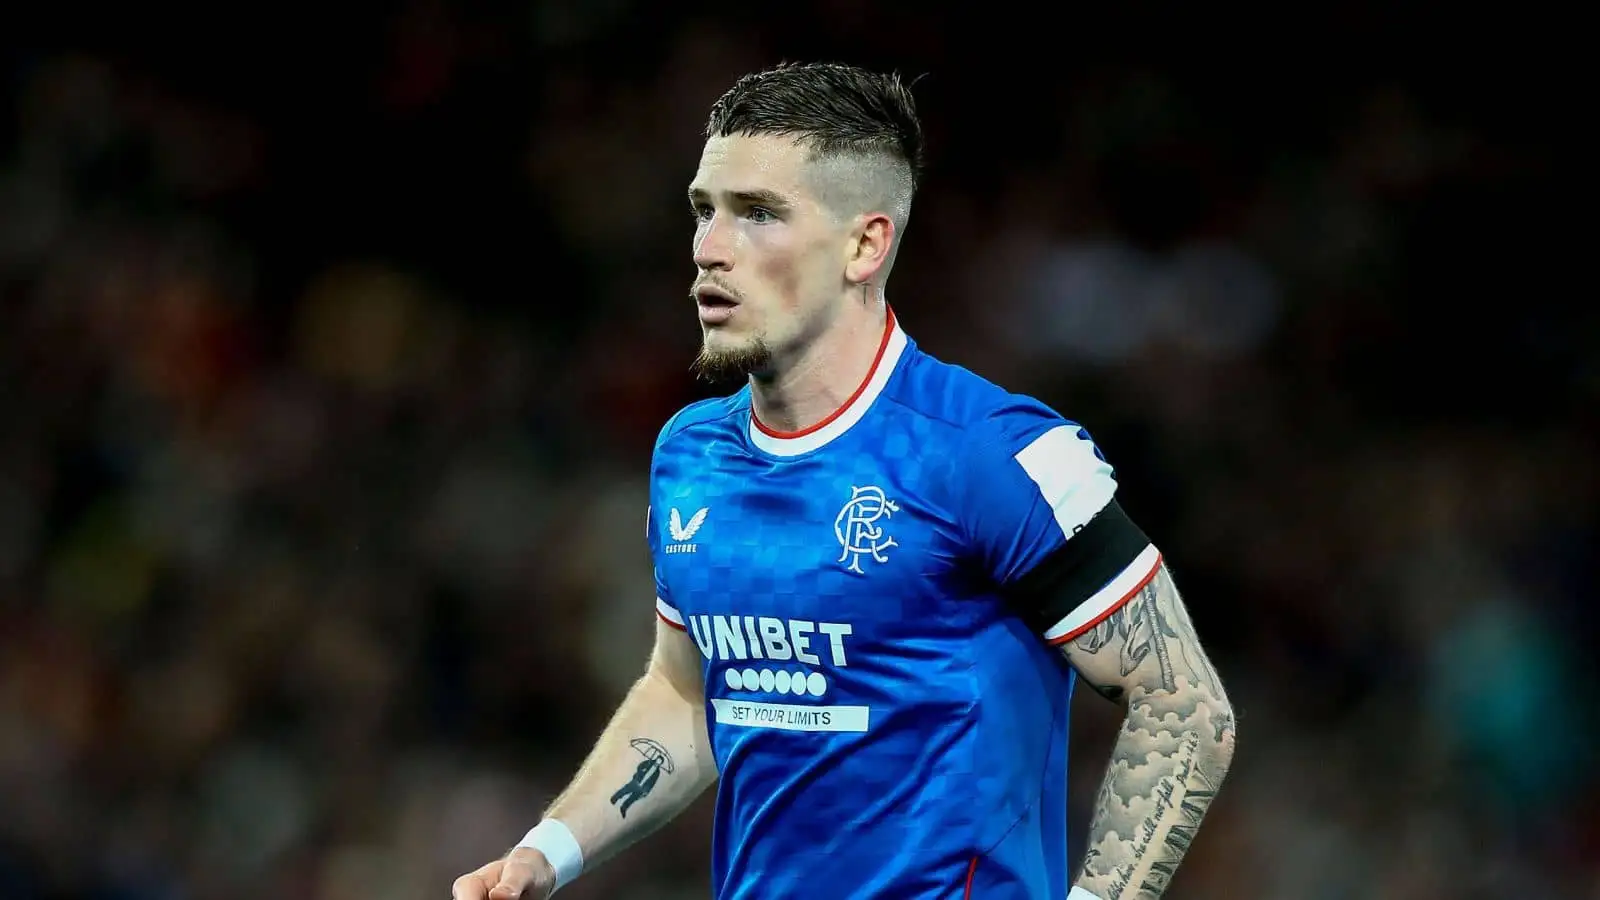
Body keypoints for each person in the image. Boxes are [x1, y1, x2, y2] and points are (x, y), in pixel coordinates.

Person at [452, 61, 1237, 900]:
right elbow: (688, 694)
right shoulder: (691, 454)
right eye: (703, 210)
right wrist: (548, 851)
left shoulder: (990, 455)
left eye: (757, 214)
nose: (709, 250)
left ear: (866, 245)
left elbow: (1184, 708)